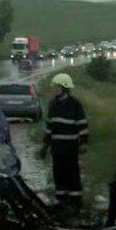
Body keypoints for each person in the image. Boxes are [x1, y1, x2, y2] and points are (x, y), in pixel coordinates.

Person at [39, 73, 89, 213]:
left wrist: (84, 143)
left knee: (72, 173)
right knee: (58, 173)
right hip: (57, 147)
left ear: (64, 88)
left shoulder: (74, 104)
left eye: (57, 87)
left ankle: (75, 201)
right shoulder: (53, 104)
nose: (55, 89)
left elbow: (82, 124)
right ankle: (61, 200)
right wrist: (45, 146)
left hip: (71, 147)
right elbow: (50, 127)